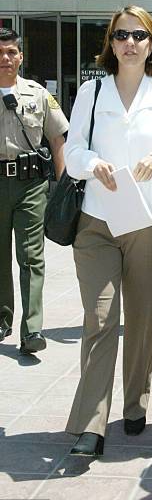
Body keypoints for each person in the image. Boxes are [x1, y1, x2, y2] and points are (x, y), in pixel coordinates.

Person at [64, 5, 152, 456]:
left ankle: (135, 403)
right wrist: (92, 164)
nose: (130, 43)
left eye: (139, 35)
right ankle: (91, 425)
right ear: (111, 44)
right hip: (97, 220)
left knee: (140, 319)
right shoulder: (91, 93)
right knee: (99, 319)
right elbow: (73, 148)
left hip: (149, 219)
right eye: (121, 35)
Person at [0, 28, 68, 355]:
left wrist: (65, 187)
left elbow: (57, 140)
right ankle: (3, 317)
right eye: (1, 52)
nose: (6, 58)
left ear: (20, 56)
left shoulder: (38, 94)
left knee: (31, 256)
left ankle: (32, 330)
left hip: (31, 186)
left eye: (12, 52)